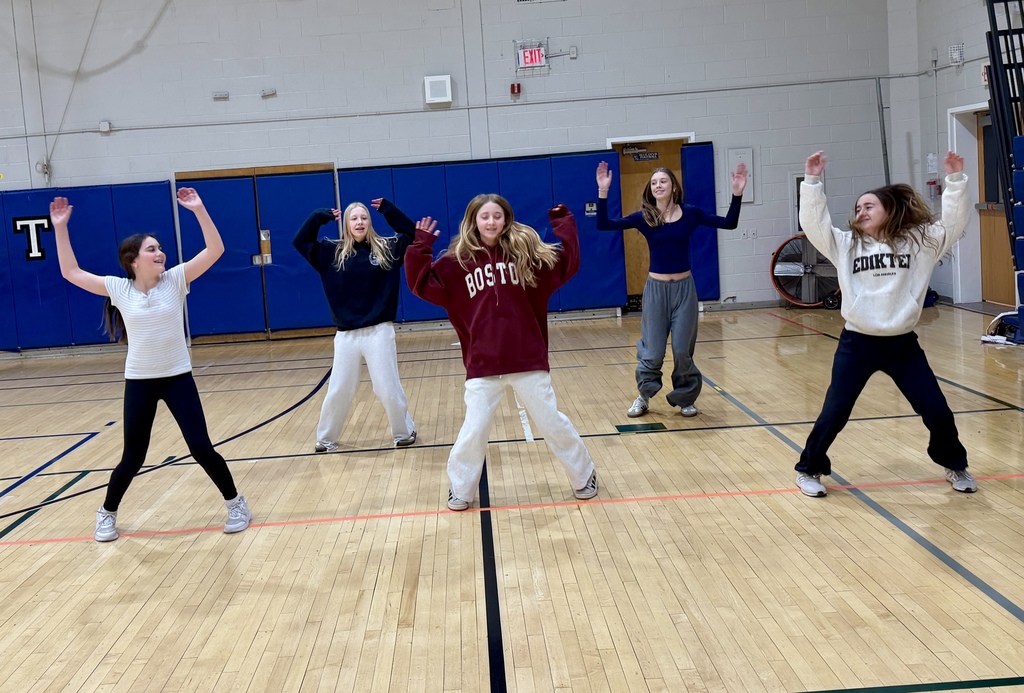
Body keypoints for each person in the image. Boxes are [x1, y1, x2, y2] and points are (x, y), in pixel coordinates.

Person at [50, 188, 252, 542]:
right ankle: (106, 514)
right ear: (134, 259)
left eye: (160, 248)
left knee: (201, 447)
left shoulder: (175, 281)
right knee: (133, 458)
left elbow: (215, 250)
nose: (160, 253)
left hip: (178, 378)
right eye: (152, 249)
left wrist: (200, 209)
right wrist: (60, 227)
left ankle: (236, 504)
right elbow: (70, 271)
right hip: (140, 382)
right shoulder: (118, 288)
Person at [794, 150, 975, 497]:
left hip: (901, 345)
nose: (861, 212)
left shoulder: (920, 243)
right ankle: (809, 469)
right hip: (857, 343)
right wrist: (812, 182)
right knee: (835, 412)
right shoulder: (845, 244)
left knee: (936, 410)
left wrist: (954, 181)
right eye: (858, 208)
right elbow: (813, 224)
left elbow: (954, 223)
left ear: (889, 210)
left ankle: (955, 465)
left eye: (869, 206)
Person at [404, 195, 598, 511]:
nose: (491, 222)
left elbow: (567, 264)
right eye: (485, 216)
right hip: (482, 364)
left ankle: (583, 475)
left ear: (506, 219)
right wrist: (420, 247)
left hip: (527, 359)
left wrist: (565, 227)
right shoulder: (457, 263)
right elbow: (421, 284)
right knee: (474, 430)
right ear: (473, 221)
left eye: (497, 216)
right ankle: (461, 489)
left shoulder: (526, 256)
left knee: (551, 422)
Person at [595, 160, 748, 418]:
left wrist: (737, 193)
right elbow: (604, 224)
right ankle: (643, 396)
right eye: (654, 183)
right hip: (656, 291)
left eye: (662, 181)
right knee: (653, 351)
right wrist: (603, 191)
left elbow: (729, 223)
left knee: (681, 350)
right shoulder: (644, 217)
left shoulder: (691, 214)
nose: (658, 185)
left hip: (684, 291)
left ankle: (686, 398)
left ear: (673, 187)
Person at [293, 198, 417, 452]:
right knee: (339, 389)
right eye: (354, 218)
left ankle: (404, 432)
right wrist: (319, 216)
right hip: (346, 336)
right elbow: (301, 241)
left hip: (378, 332)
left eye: (364, 218)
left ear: (370, 222)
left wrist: (389, 209)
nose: (359, 222)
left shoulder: (387, 248)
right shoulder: (331, 252)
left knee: (386, 387)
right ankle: (325, 439)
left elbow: (411, 234)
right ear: (347, 224)